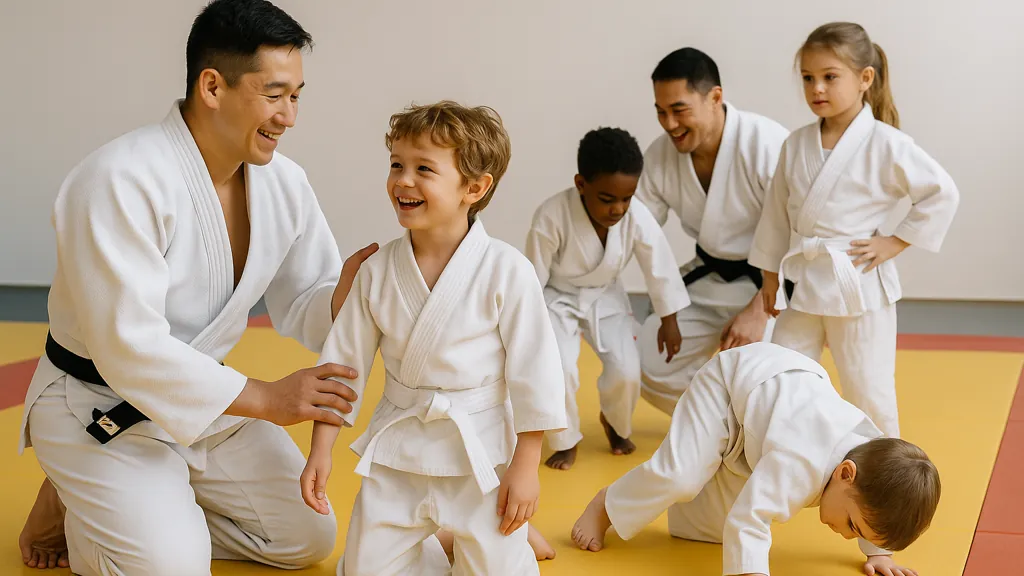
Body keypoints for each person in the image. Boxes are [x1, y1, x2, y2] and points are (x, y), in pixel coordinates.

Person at [16, 0, 377, 573]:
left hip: (206, 402)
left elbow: (306, 297)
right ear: (213, 86)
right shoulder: (117, 180)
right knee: (170, 569)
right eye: (275, 94)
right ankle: (83, 496)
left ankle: (131, 504)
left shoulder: (284, 183)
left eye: (297, 96)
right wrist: (267, 398)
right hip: (99, 402)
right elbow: (127, 348)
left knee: (307, 538)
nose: (290, 116)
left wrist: (344, 296)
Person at [301, 101, 568, 576]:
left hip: (479, 456)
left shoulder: (507, 270)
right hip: (398, 449)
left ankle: (495, 543)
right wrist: (320, 449)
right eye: (397, 165)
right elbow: (344, 366)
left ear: (475, 187)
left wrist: (526, 466)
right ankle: (441, 541)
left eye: (424, 168)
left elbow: (535, 372)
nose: (404, 180)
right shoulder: (377, 271)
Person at [749, 22, 960, 439]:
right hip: (806, 281)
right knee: (781, 376)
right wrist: (769, 276)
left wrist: (895, 241)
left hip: (857, 283)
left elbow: (942, 192)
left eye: (830, 77)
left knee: (869, 391)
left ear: (865, 79)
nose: (817, 89)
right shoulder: (795, 144)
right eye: (808, 78)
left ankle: (888, 479)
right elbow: (776, 213)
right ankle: (792, 459)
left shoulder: (886, 143)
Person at [571, 343, 940, 576]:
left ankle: (711, 474)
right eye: (853, 526)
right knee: (681, 476)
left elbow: (882, 496)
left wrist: (879, 554)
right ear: (845, 472)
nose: (845, 535)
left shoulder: (871, 455)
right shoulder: (802, 460)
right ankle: (607, 505)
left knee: (711, 532)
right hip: (730, 386)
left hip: (766, 417)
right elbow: (752, 519)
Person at [633, 48, 791, 415]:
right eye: (660, 111)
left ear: (715, 97)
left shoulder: (766, 143)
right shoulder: (660, 156)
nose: (669, 123)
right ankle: (716, 426)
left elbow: (800, 236)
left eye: (679, 109)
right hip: (712, 277)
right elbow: (636, 231)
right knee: (645, 363)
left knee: (762, 373)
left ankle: (753, 422)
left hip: (774, 286)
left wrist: (759, 311)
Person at [524, 127, 688, 470]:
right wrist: (526, 330)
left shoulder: (637, 216)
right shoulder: (551, 215)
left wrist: (669, 321)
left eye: (626, 198)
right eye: (607, 198)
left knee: (628, 370)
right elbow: (533, 277)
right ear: (581, 184)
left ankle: (615, 422)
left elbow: (659, 266)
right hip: (556, 298)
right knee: (560, 368)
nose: (618, 208)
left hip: (606, 296)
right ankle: (565, 439)